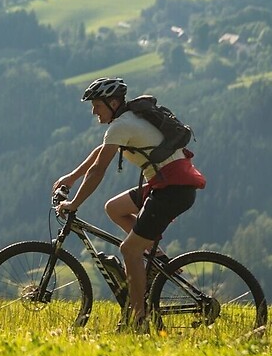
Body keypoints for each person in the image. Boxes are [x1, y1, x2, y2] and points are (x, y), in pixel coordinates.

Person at [52, 77, 206, 331]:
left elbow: (98, 170)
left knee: (129, 251)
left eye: (97, 105)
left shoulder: (122, 125)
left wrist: (74, 203)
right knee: (114, 208)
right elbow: (100, 153)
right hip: (169, 185)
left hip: (171, 191)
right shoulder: (126, 121)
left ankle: (139, 320)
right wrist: (70, 177)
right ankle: (157, 259)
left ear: (113, 103)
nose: (93, 111)